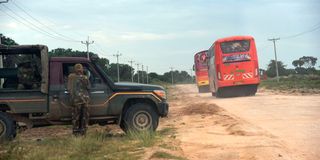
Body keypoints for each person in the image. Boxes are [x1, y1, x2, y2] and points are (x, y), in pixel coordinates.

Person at [67, 63, 90, 135]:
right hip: (84, 101)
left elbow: (68, 88)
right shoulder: (85, 78)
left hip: (75, 101)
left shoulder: (71, 77)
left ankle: (76, 133)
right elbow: (89, 87)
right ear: (82, 69)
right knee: (84, 118)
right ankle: (83, 133)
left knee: (75, 118)